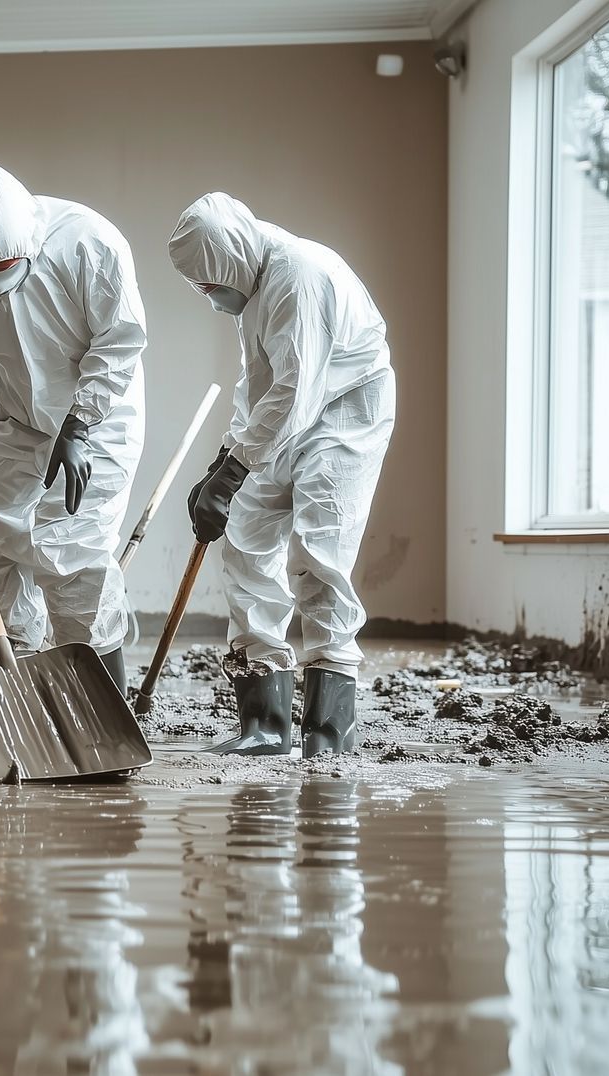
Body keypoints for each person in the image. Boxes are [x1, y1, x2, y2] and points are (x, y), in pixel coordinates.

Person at [169, 192, 395, 758]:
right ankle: (265, 724)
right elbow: (259, 386)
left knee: (318, 556)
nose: (209, 297)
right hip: (287, 418)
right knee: (245, 543)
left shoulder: (299, 275)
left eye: (208, 285)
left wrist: (235, 468)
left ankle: (328, 731)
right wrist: (223, 464)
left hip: (344, 412)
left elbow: (296, 391)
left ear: (230, 262)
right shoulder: (253, 284)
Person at [0, 160, 147, 688]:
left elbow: (119, 342)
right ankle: (22, 670)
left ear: (29, 244)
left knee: (74, 551)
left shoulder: (90, 243)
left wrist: (78, 427)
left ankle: (100, 695)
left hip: (98, 417)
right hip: (14, 413)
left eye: (5, 271)